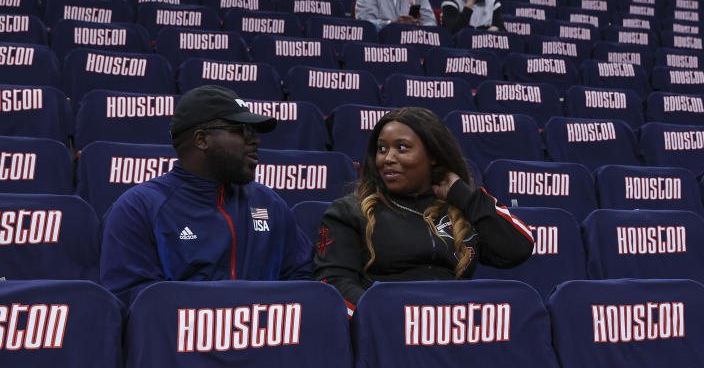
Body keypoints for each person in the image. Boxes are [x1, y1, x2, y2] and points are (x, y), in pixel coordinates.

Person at [100, 85, 313, 305]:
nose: (255, 140)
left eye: (254, 132)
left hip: (264, 337)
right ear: (202, 139)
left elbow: (301, 279)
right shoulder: (138, 208)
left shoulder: (269, 203)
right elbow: (136, 304)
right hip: (181, 338)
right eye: (242, 130)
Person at [313, 107, 534, 308]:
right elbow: (333, 283)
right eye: (381, 149)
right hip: (387, 333)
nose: (388, 158)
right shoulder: (349, 211)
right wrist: (388, 318)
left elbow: (518, 248)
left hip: (454, 330)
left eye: (402, 148)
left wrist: (464, 195)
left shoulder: (460, 208)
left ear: (434, 156)